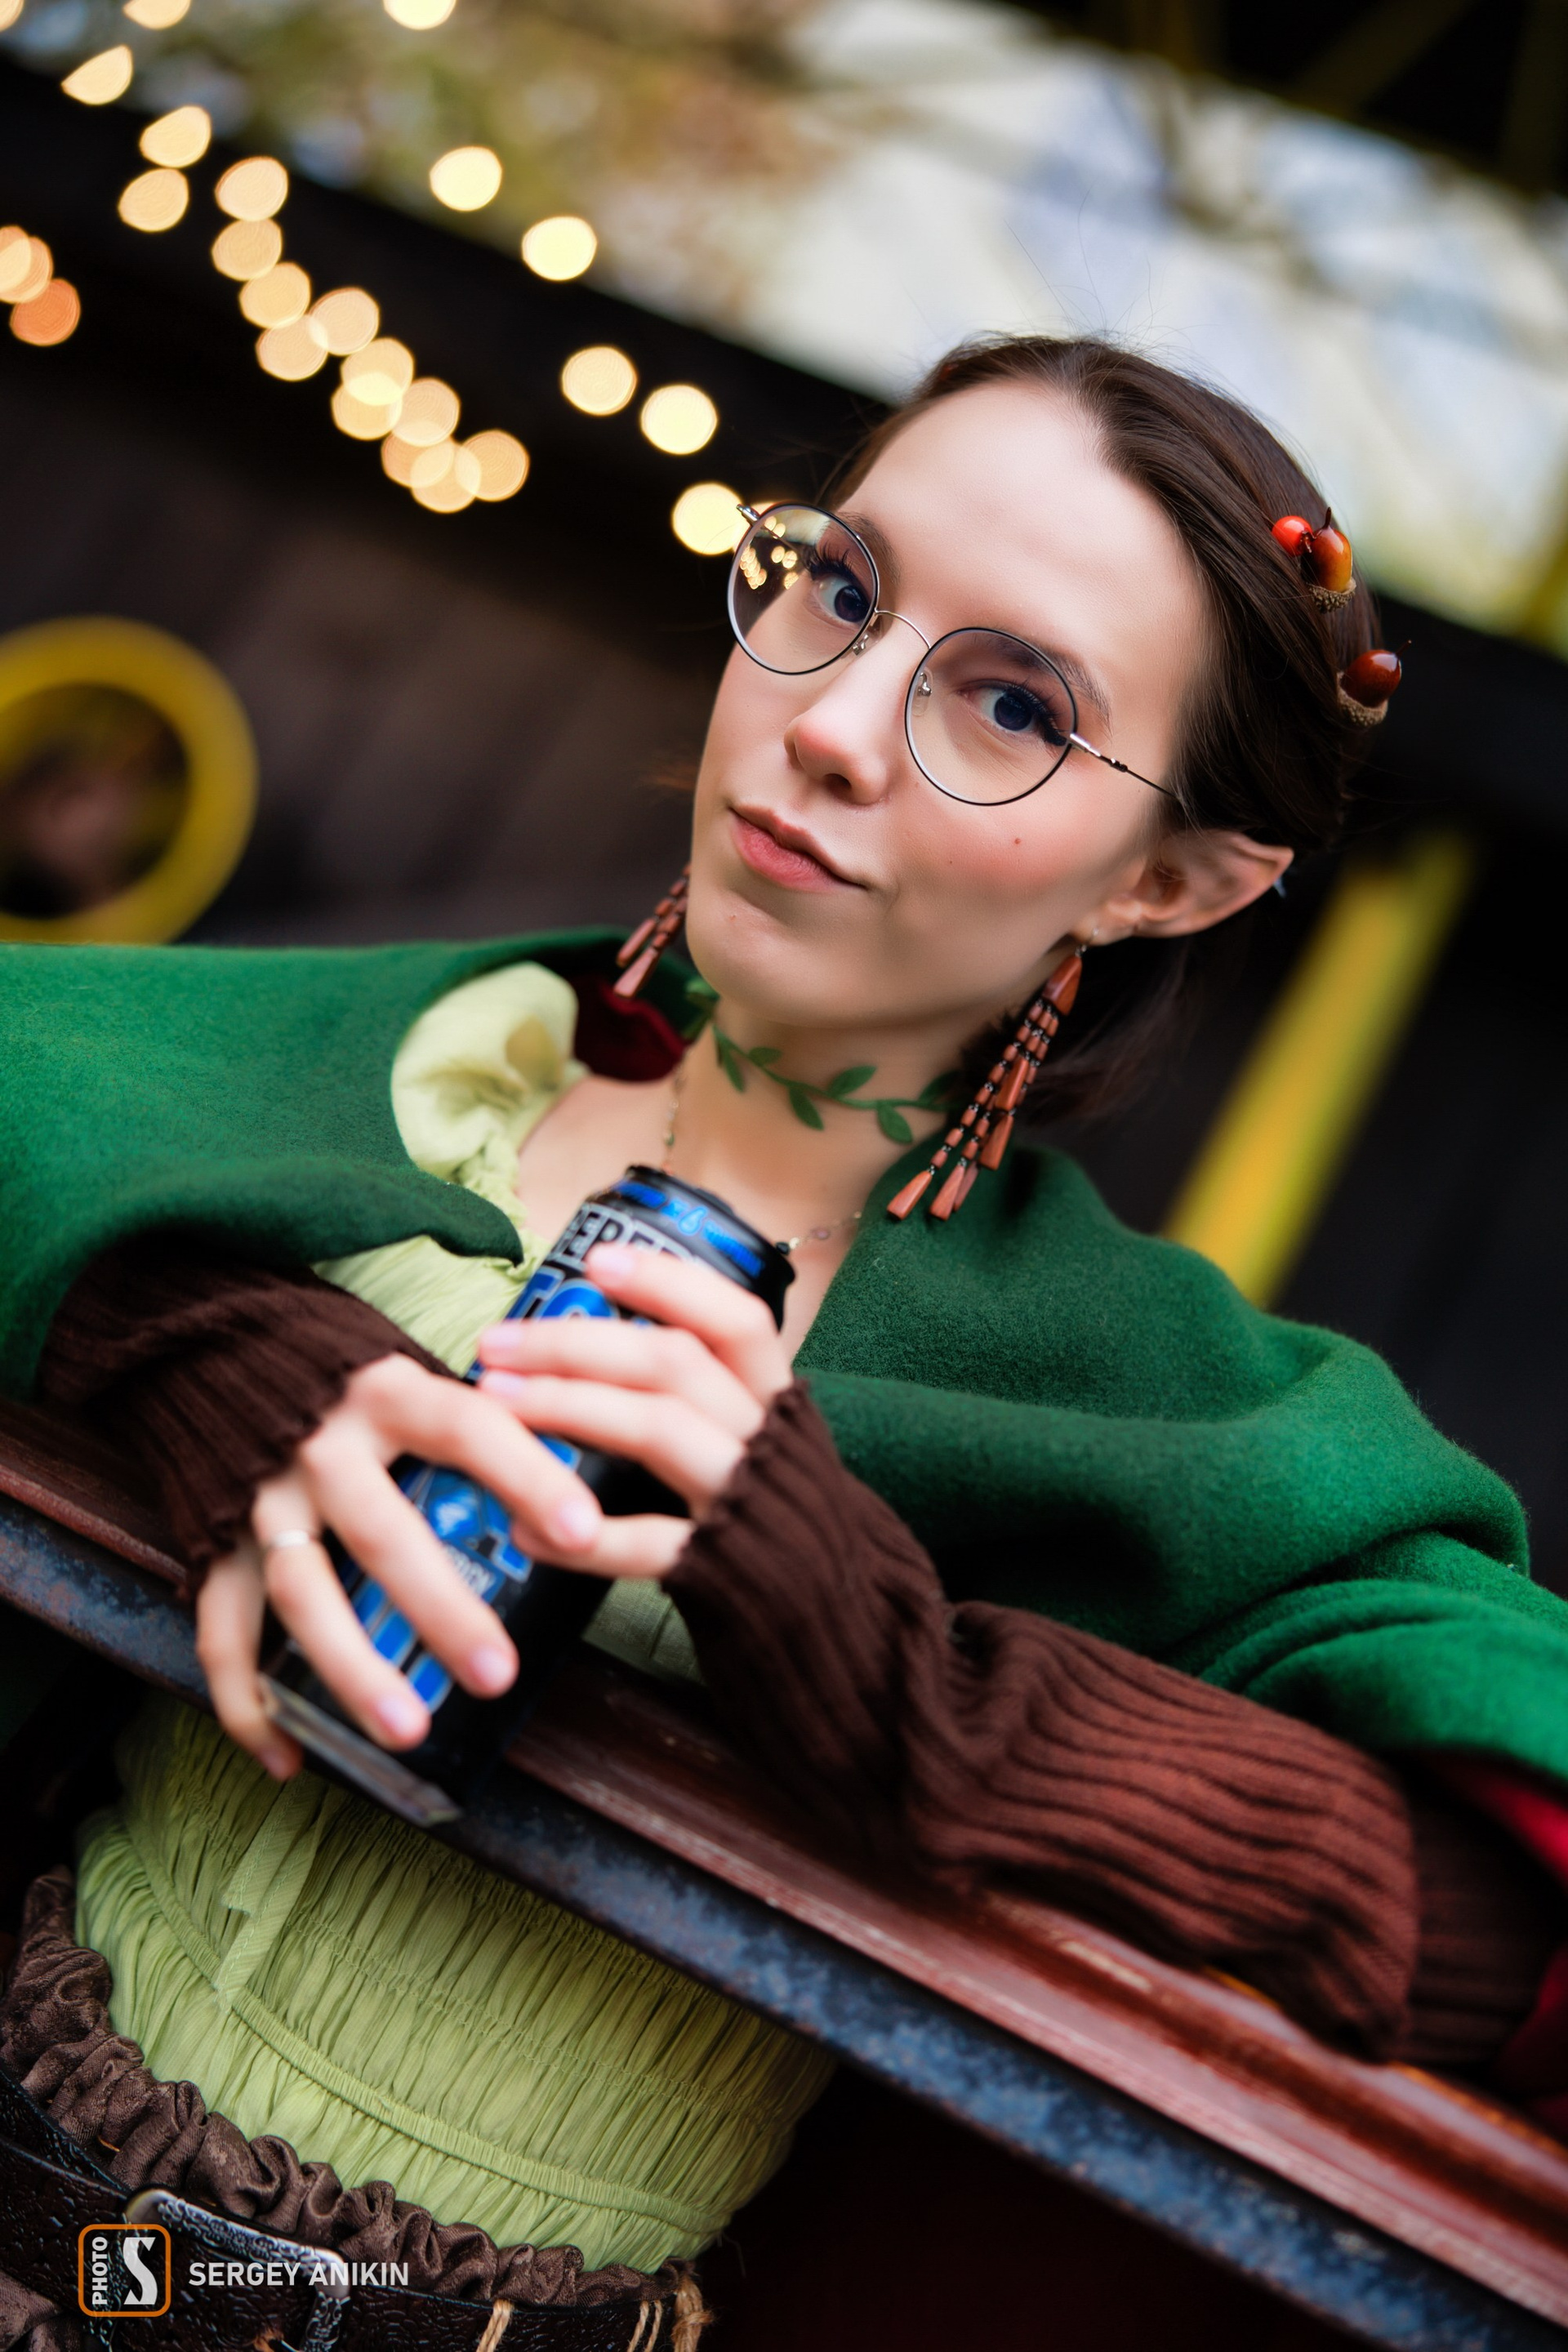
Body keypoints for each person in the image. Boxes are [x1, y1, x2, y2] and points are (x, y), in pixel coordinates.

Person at [2, 337, 1566, 2346]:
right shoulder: (387, 1069)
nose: (826, 723)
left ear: (1176, 878)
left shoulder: (1164, 1397)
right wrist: (186, 1334)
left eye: (1015, 704)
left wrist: (916, 1694)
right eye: (841, 589)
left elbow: (1504, 1929)